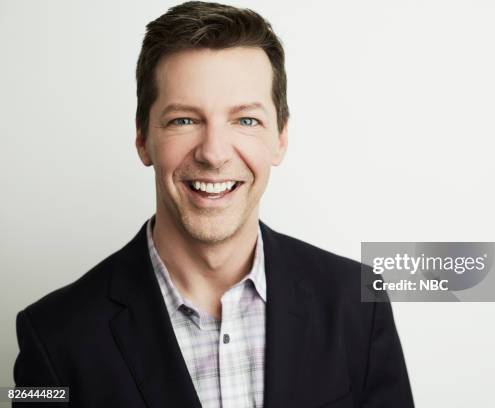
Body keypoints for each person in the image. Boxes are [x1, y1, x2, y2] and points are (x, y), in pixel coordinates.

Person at [13, 2, 414, 407]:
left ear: (280, 138)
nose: (214, 153)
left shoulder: (359, 304)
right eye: (184, 120)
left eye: (246, 120)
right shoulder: (51, 336)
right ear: (142, 138)